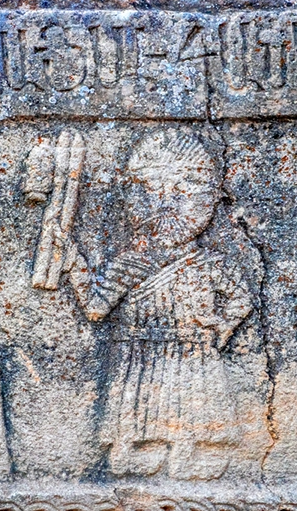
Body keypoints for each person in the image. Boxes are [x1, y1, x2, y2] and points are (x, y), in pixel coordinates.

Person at [66, 130, 252, 480]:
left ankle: (187, 447)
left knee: (191, 419)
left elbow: (241, 300)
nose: (166, 201)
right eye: (152, 188)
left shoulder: (211, 264)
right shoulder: (129, 264)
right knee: (130, 434)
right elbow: (95, 307)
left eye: (183, 189)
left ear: (210, 198)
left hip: (192, 353)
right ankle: (131, 444)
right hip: (138, 353)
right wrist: (73, 263)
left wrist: (221, 326)